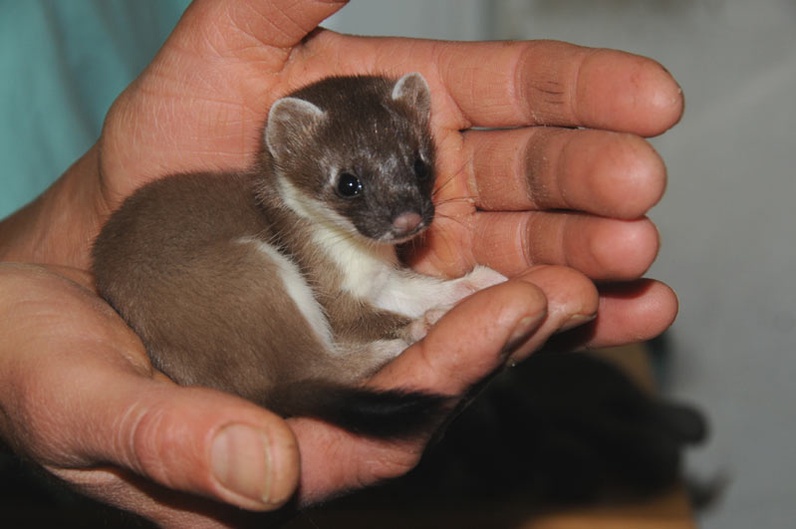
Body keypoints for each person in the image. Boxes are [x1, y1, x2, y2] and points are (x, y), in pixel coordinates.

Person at [0, 0, 682, 527]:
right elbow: (352, 311)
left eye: (418, 169)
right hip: (194, 291)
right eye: (352, 188)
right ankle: (322, 371)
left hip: (169, 280)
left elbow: (371, 284)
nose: (408, 214)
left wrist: (439, 294)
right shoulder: (291, 228)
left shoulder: (344, 227)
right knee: (262, 272)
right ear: (288, 152)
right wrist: (406, 325)